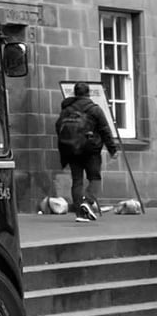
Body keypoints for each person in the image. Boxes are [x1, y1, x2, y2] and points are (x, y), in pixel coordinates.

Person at [56, 82, 119, 221]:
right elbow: (105, 130)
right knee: (95, 178)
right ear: (88, 93)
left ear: (75, 93)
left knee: (77, 180)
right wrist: (112, 150)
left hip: (71, 149)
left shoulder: (66, 110)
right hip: (91, 150)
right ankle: (88, 202)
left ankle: (80, 214)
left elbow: (59, 128)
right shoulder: (94, 109)